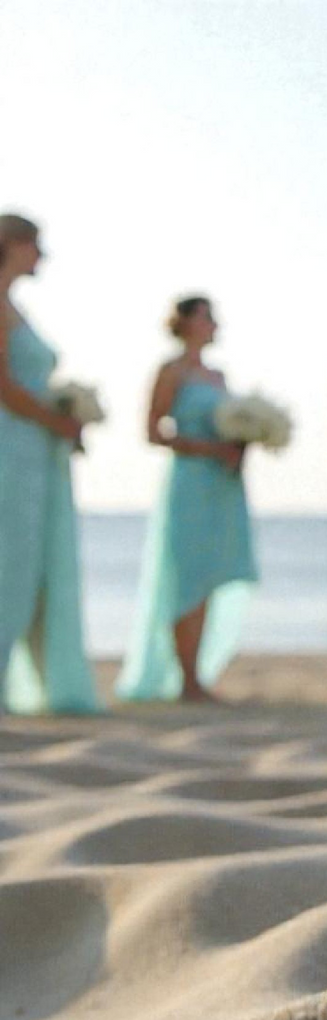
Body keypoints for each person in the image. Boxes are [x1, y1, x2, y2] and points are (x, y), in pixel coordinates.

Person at [117, 295, 258, 703]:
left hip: (224, 485)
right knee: (186, 575)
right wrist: (208, 450)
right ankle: (186, 677)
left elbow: (232, 426)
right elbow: (153, 430)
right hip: (190, 483)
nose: (215, 324)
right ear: (188, 323)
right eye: (207, 317)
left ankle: (196, 673)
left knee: (211, 574)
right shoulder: (171, 371)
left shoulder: (218, 376)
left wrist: (241, 445)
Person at [0, 213, 100, 715]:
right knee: (9, 561)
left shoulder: (14, 305)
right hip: (11, 450)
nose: (42, 255)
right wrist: (56, 421)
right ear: (13, 244)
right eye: (36, 245)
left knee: (32, 564)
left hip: (33, 452)